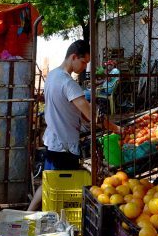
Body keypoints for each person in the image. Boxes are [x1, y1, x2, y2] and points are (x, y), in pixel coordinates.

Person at [28, 40, 120, 211]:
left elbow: (70, 109)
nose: (84, 67)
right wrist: (116, 129)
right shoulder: (68, 83)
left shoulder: (52, 76)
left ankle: (29, 213)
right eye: (84, 62)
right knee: (65, 189)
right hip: (64, 146)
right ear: (73, 57)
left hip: (53, 140)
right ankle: (56, 221)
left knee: (49, 182)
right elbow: (92, 116)